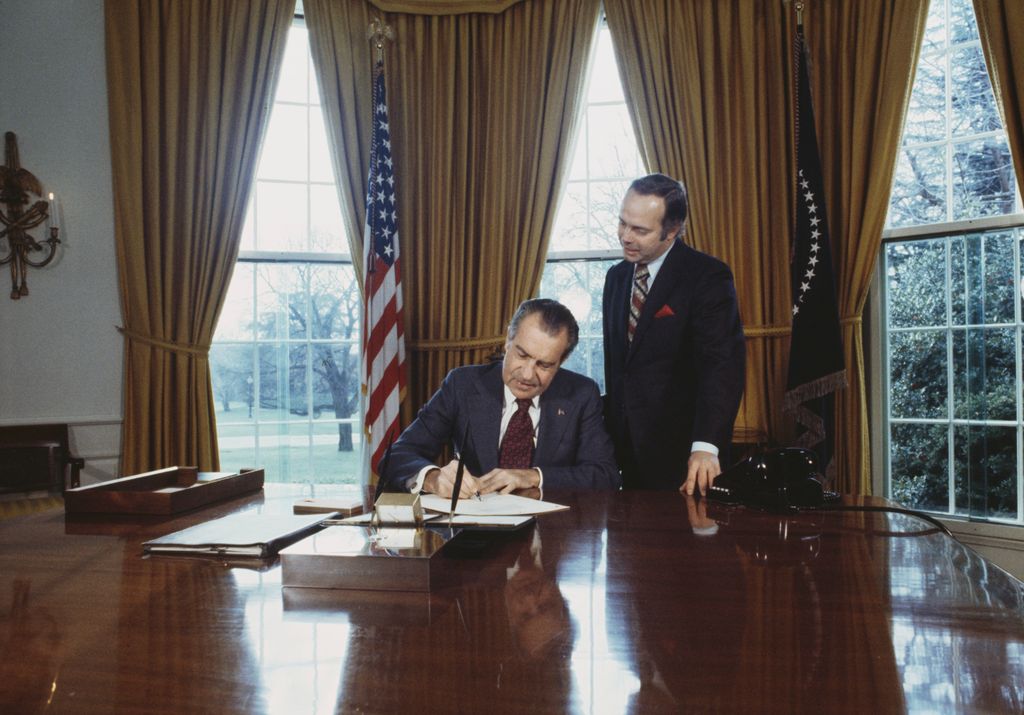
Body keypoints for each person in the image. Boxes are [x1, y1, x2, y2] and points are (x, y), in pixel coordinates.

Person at [384, 298, 621, 497]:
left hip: (552, 536)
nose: (528, 375)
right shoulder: (462, 385)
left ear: (562, 361)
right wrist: (433, 478)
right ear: (508, 339)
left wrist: (533, 477)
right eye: (522, 354)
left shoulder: (581, 393)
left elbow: (604, 475)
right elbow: (396, 457)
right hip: (473, 534)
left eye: (545, 365)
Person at [602, 173, 745, 494]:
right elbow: (620, 370)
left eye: (640, 230)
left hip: (686, 460)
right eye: (623, 223)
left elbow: (722, 367)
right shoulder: (615, 278)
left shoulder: (708, 277)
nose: (625, 236)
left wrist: (706, 447)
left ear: (672, 231)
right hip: (624, 458)